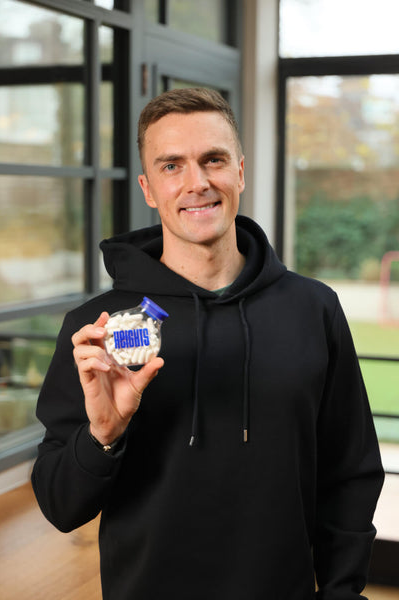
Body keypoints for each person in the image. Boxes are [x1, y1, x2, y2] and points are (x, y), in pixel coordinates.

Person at [31, 87, 384, 600]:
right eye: (172, 166)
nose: (197, 183)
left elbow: (350, 471)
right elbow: (60, 506)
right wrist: (103, 435)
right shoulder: (97, 331)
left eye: (213, 160)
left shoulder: (314, 309)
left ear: (239, 172)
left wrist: (341, 592)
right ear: (149, 188)